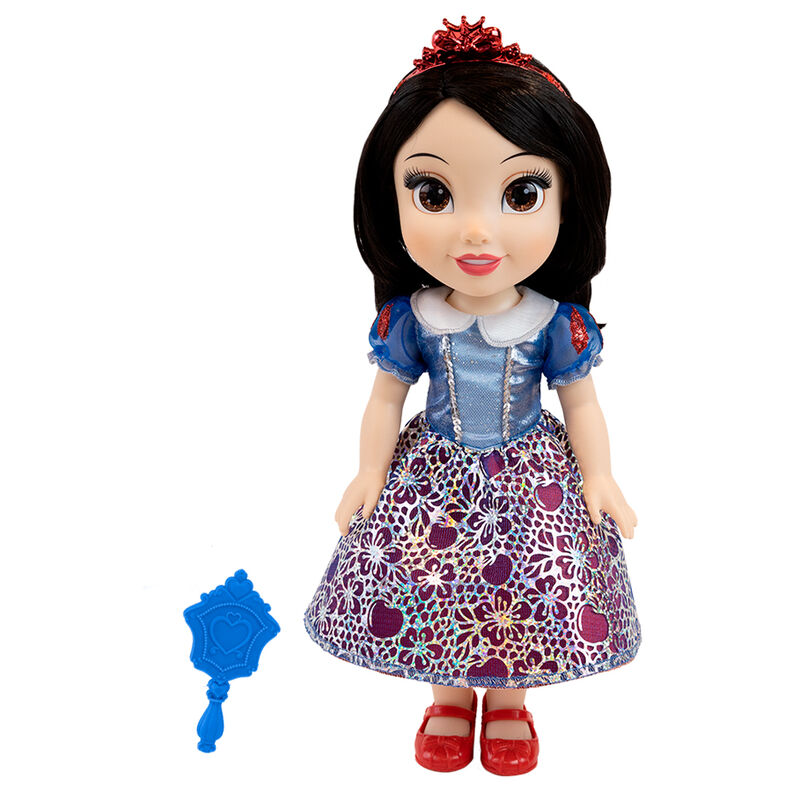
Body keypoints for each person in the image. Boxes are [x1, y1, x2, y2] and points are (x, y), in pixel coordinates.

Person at [304, 16, 641, 776]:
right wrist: (368, 472)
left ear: (569, 198)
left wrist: (599, 476)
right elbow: (385, 400)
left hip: (527, 479)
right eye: (434, 193)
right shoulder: (414, 318)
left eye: (522, 193)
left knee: (523, 585)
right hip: (434, 478)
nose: (477, 232)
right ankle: (449, 698)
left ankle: (511, 702)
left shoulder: (554, 322)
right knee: (433, 584)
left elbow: (581, 404)